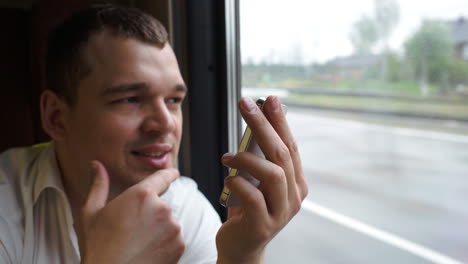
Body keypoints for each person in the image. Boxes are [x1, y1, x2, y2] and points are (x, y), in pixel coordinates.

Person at [0, 4, 308, 264]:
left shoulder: (186, 209)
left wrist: (243, 254)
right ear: (56, 117)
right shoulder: (7, 202)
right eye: (129, 99)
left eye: (174, 100)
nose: (165, 124)